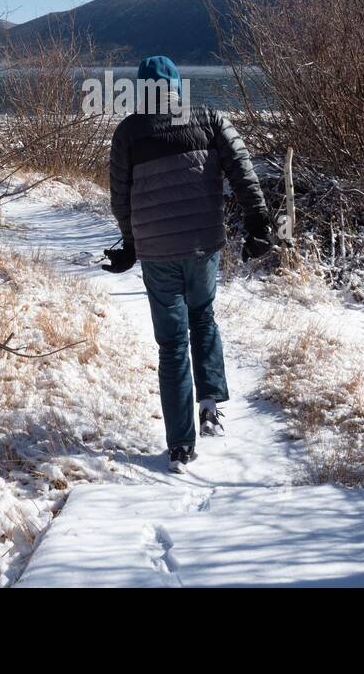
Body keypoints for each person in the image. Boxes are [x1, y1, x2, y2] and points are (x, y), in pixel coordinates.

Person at [102, 55, 275, 472]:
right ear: (178, 84)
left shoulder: (128, 133)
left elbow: (120, 196)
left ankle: (181, 445)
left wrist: (129, 244)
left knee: (172, 345)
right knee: (203, 316)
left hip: (158, 251)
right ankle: (210, 403)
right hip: (203, 244)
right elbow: (242, 170)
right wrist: (258, 224)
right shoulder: (210, 118)